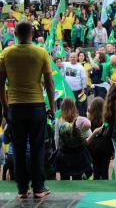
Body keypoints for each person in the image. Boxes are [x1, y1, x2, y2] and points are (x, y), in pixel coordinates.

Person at [0, 21, 55, 198]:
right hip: (36, 105)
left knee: (18, 148)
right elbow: (49, 81)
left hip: (15, 106)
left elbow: (0, 84)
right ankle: (39, 188)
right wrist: (52, 106)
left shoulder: (6, 53)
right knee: (38, 147)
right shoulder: (41, 52)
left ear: (15, 33)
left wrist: (5, 107)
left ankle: (22, 189)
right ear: (32, 33)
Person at [52, 98, 93, 181]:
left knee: (64, 178)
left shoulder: (58, 120)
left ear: (62, 107)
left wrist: (57, 150)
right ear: (74, 107)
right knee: (77, 178)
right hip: (78, 154)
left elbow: (56, 138)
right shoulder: (79, 120)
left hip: (64, 153)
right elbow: (89, 134)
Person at [86, 97, 113, 180]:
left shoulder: (89, 121)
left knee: (96, 170)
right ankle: (105, 190)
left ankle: (96, 187)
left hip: (93, 147)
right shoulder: (108, 120)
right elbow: (111, 135)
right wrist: (113, 150)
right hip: (106, 147)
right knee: (105, 170)